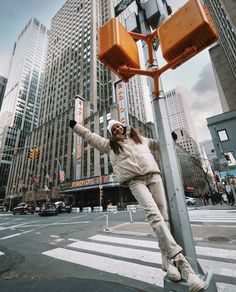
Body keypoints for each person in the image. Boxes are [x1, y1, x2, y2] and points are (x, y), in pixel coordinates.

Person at [69, 119, 205, 292]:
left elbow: (157, 144)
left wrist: (171, 139)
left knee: (164, 217)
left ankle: (167, 262)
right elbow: (89, 136)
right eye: (113, 128)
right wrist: (75, 126)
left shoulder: (139, 138)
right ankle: (183, 266)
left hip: (153, 176)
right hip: (134, 181)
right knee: (154, 215)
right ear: (112, 133)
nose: (117, 128)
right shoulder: (109, 145)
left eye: (118, 125)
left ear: (124, 127)